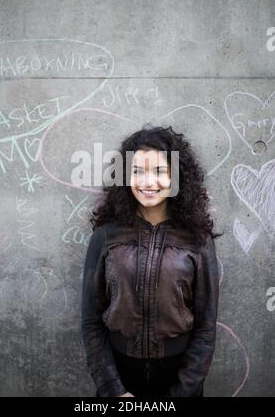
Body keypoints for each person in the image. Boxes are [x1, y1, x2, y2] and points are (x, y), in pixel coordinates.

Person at [81, 124, 223, 397]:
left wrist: (184, 391)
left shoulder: (198, 240)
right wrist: (113, 389)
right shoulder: (106, 236)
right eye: (138, 171)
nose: (148, 182)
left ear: (176, 176)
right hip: (119, 375)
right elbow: (91, 321)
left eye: (159, 171)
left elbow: (205, 329)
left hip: (178, 375)